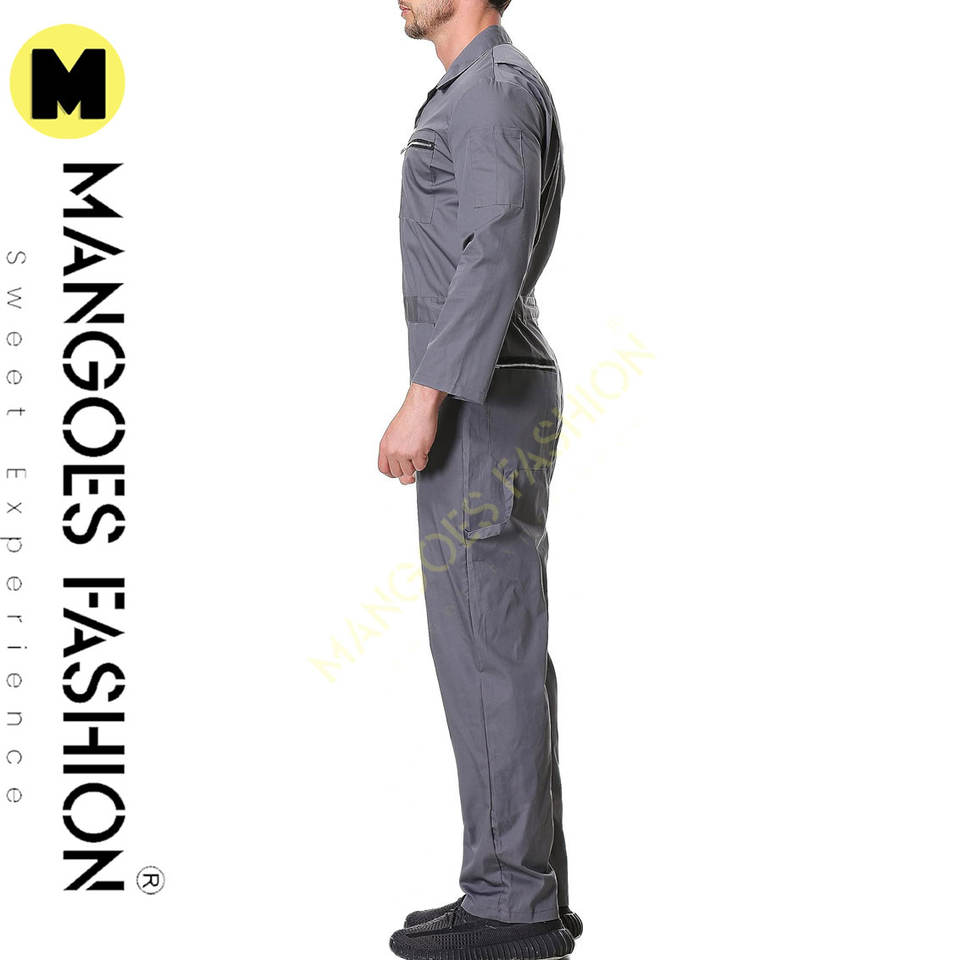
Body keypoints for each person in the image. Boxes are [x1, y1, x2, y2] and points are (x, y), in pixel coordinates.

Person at [378, 3, 580, 957]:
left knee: (488, 647)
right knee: (494, 647)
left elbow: (494, 251)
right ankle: (523, 891)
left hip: (482, 393)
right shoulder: (478, 88)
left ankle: (510, 905)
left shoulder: (492, 90)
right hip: (492, 384)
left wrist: (424, 398)